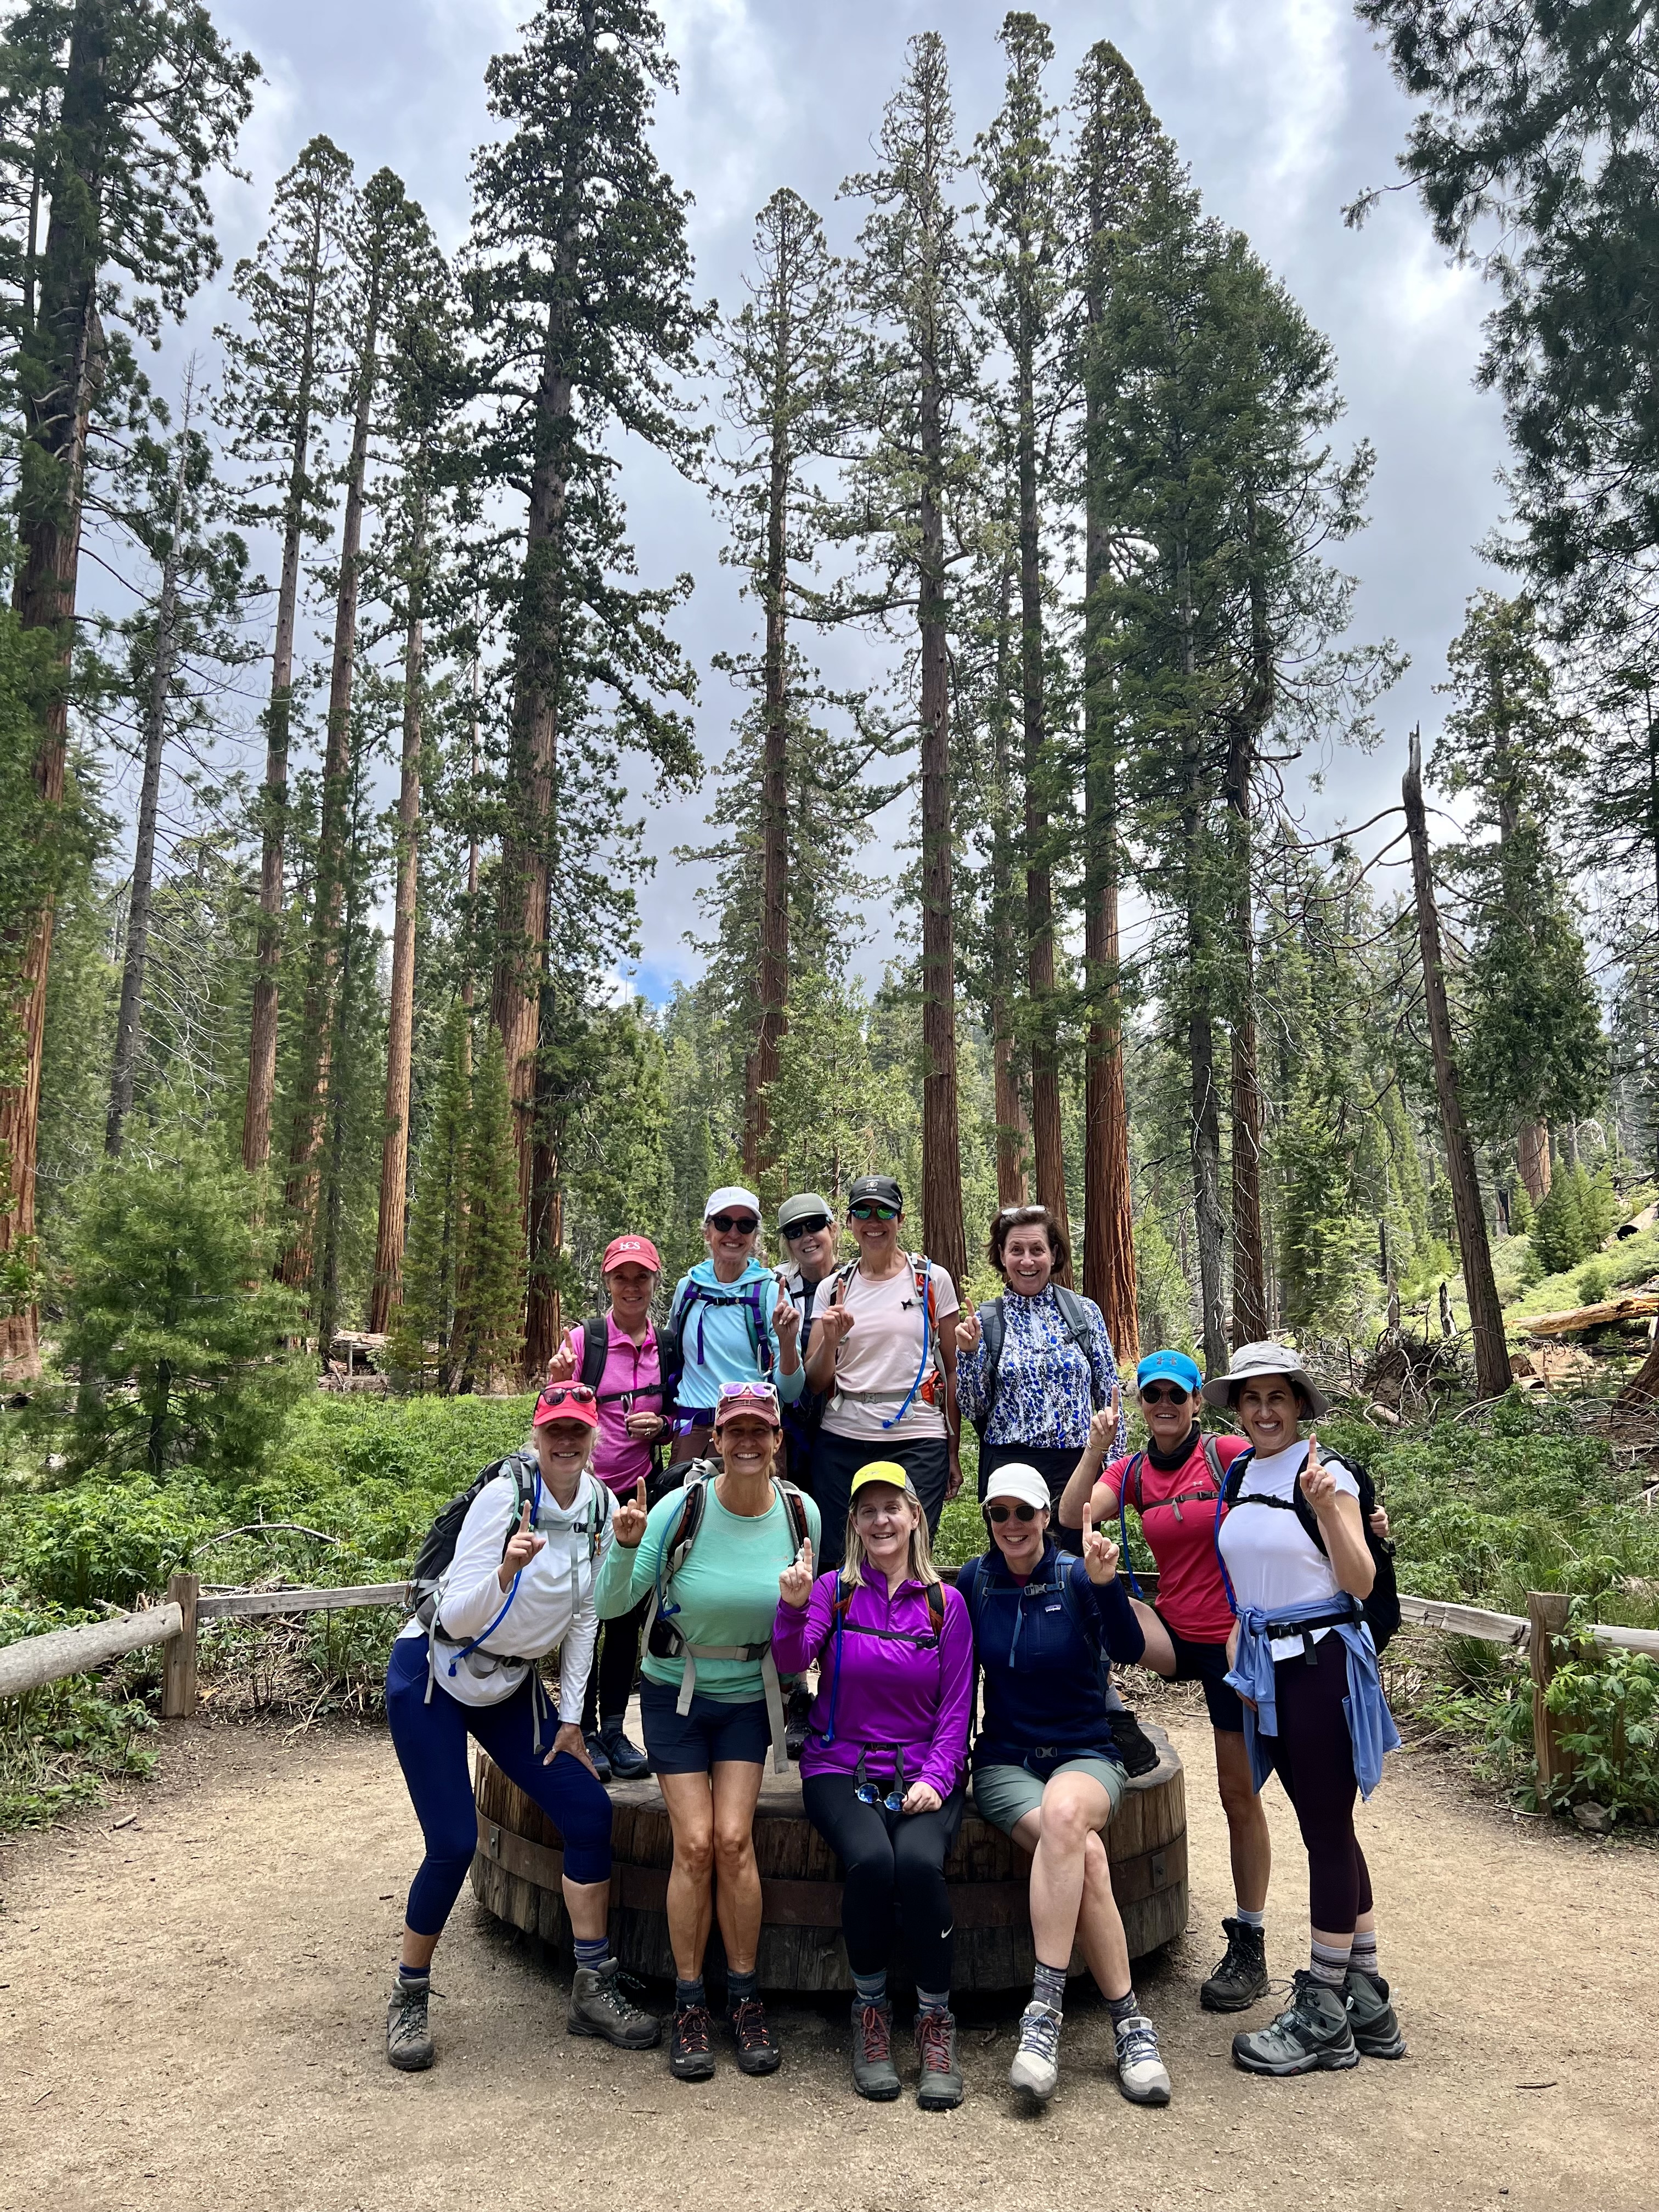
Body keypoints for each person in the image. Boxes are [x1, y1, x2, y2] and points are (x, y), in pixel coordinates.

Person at [383, 1384, 658, 2070]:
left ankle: (592, 1984)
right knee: (453, 1842)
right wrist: (507, 1571)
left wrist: (571, 1720)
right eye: (553, 1430)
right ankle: (409, 1994)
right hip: (433, 1672)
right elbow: (454, 1616)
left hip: (508, 1684)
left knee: (589, 1812)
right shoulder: (505, 1497)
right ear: (537, 1435)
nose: (566, 1442)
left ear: (594, 1436)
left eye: (577, 1431)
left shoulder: (598, 1505)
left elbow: (589, 1617)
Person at [595, 1379, 822, 2083]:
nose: (748, 1443)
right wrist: (624, 1548)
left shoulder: (801, 1513)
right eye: (736, 1431)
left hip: (751, 1698)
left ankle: (745, 1998)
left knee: (733, 1839)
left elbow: (803, 1631)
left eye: (760, 1431)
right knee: (694, 1845)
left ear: (777, 1440)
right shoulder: (679, 1508)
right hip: (677, 1695)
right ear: (717, 1440)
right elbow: (613, 1605)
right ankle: (690, 2001)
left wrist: (799, 1610)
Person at [1206, 1340, 1405, 2076]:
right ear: (1239, 1408)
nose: (1265, 1412)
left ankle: (1323, 2009)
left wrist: (1327, 1508)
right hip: (1271, 1670)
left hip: (1322, 1666)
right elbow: (1247, 1577)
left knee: (1324, 1830)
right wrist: (1240, 1645)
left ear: (1299, 1405)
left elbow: (1358, 1580)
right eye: (1252, 1399)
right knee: (1329, 1825)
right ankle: (1366, 1996)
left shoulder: (1328, 1473)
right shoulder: (1239, 1474)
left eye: (1278, 1398)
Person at [958, 1462, 1176, 2108]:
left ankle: (1043, 2016)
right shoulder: (975, 1581)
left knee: (1064, 1818)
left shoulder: (1078, 1574)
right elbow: (953, 1674)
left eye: (1024, 1512)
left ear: (1045, 1516)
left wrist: (1107, 1586)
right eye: (999, 1513)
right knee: (1088, 1856)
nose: (1012, 1525)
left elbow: (1129, 1648)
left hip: (1086, 1755)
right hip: (1006, 1764)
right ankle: (1131, 2027)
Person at [1057, 1348, 1268, 2010]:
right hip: (1173, 1635)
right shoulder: (1134, 1471)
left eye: (1178, 1395)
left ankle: (1251, 1940)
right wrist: (1096, 1449)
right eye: (1154, 1396)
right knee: (1083, 1587)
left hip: (1232, 1642)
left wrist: (1359, 1514)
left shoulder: (1225, 1455)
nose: (1166, 1406)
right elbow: (1071, 1514)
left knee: (1238, 1794)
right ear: (1142, 1406)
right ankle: (1109, 1717)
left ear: (1197, 1402)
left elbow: (1289, 1489)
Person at [774, 1459, 973, 2110]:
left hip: (922, 1770)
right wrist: (791, 1607)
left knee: (916, 1863)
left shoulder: (946, 1605)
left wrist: (938, 1779)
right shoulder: (833, 1591)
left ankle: (936, 2020)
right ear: (855, 1524)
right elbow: (790, 1659)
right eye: (868, 1511)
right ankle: (871, 2013)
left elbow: (957, 1709)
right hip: (840, 1767)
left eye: (892, 1508)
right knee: (872, 1860)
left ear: (915, 1515)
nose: (881, 1521)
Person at [544, 1232, 669, 1783]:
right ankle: (585, 1726)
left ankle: (615, 1729)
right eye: (622, 1277)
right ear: (608, 1281)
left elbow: (686, 1415)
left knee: (625, 1613)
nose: (632, 1286)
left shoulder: (667, 1346)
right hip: (587, 1499)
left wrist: (663, 1425)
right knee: (585, 1611)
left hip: (639, 1498)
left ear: (654, 1282)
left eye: (641, 1277)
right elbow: (553, 1419)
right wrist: (557, 1381)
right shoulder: (585, 1341)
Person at [803, 1174, 961, 1568]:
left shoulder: (932, 1280)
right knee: (842, 1559)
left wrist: (953, 1452)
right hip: (843, 1438)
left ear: (900, 1219)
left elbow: (953, 1371)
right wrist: (830, 1340)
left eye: (884, 1212)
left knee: (908, 1556)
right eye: (863, 1212)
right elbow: (816, 1381)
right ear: (850, 1222)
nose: (873, 1221)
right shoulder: (833, 1288)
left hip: (918, 1437)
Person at [955, 1203, 1126, 1534]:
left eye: (1037, 1250)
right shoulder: (986, 1321)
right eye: (1016, 1250)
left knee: (1077, 1559)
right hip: (1009, 1465)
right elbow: (973, 1408)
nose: (1027, 1261)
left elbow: (1109, 1397)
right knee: (1015, 1557)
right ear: (1002, 1256)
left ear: (1054, 1253)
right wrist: (970, 1353)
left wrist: (1115, 1472)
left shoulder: (1084, 1313)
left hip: (1076, 1465)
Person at [663, 1186, 803, 1463]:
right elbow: (671, 1356)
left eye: (745, 1225)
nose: (734, 1233)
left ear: (754, 1237)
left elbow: (790, 1392)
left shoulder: (771, 1293)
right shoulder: (688, 1289)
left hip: (754, 1432)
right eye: (723, 1223)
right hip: (696, 1431)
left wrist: (788, 1343)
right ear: (707, 1232)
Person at [774, 1190, 842, 1754]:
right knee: (791, 1547)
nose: (806, 1237)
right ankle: (795, 1688)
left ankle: (842, 1680)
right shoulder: (774, 1285)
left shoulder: (859, 1279)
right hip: (787, 1433)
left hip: (846, 1431)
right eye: (794, 1231)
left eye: (815, 1225)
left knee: (840, 1552)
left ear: (834, 1228)